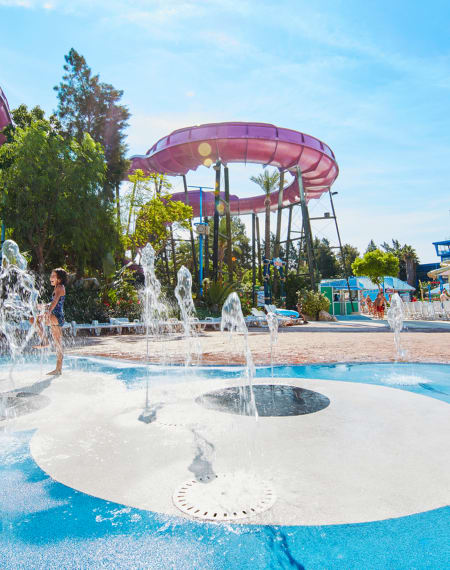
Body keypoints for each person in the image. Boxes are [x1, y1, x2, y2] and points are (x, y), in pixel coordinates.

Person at [30, 267, 67, 375]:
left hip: (56, 316)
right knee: (58, 344)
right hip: (58, 317)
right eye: (51, 275)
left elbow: (55, 302)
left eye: (53, 276)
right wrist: (43, 306)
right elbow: (54, 302)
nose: (51, 277)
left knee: (33, 320)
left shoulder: (59, 287)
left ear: (59, 279)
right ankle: (58, 369)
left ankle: (44, 341)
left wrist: (48, 311)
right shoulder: (58, 287)